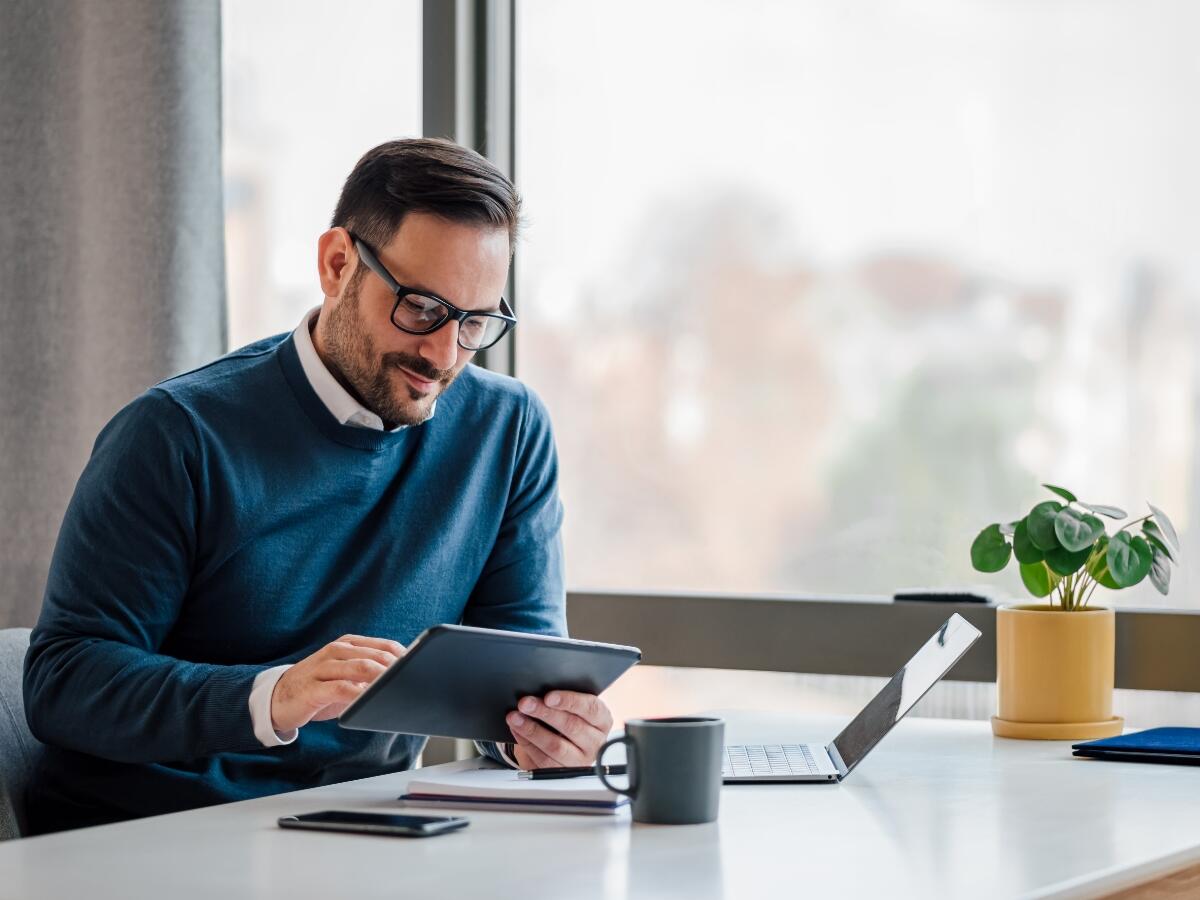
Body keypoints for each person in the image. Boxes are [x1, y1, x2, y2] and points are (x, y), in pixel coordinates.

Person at [23, 138, 613, 834]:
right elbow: (65, 683)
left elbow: (516, 681)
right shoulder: (176, 435)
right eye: (422, 308)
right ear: (337, 265)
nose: (444, 353)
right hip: (156, 835)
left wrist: (546, 731)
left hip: (367, 832)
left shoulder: (507, 433)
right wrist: (273, 695)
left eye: (475, 322)